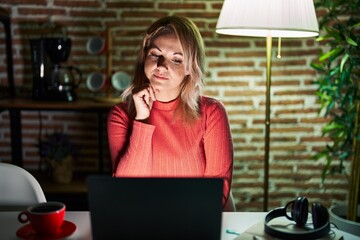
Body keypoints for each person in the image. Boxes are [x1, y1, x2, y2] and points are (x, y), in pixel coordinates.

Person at [107, 15, 233, 208]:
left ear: (191, 67)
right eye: (155, 54)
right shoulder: (120, 115)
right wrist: (142, 119)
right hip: (140, 220)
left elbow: (217, 189)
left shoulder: (212, 112)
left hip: (193, 221)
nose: (162, 66)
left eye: (176, 59)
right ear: (144, 58)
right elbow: (127, 189)